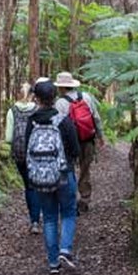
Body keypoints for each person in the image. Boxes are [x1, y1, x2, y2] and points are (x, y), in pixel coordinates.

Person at [25, 79, 81, 274]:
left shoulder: (31, 122)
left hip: (40, 178)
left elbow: (26, 151)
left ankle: (53, 263)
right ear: (54, 97)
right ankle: (65, 249)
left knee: (48, 217)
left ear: (37, 98)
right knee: (68, 212)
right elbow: (75, 149)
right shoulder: (63, 120)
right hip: (64, 175)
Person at [53, 71, 104, 213]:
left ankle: (71, 199)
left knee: (69, 169)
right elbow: (96, 118)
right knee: (85, 169)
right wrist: (100, 136)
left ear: (61, 87)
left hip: (69, 143)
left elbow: (58, 125)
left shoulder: (60, 103)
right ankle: (85, 198)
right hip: (87, 139)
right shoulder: (86, 97)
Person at [5, 82, 42, 234]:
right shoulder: (37, 109)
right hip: (36, 153)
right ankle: (37, 218)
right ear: (32, 94)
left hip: (19, 154)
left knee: (28, 186)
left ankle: (33, 220)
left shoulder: (11, 111)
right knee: (37, 185)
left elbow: (8, 138)